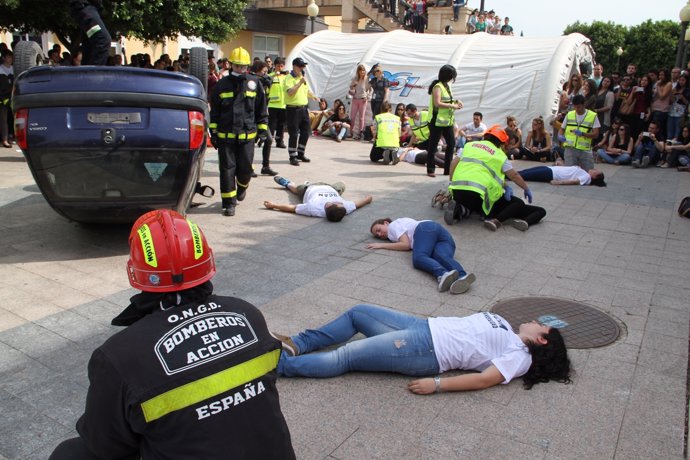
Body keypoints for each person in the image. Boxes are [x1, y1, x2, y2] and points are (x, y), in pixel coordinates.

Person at [49, 210, 295, 460]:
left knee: (68, 454)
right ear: (207, 262)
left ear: (136, 271)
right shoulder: (248, 315)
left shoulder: (119, 356)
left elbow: (105, 445)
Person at [275, 304, 572, 395]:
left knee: (346, 356)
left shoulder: (519, 357)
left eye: (541, 326)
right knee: (358, 313)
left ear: (542, 340)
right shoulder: (506, 328)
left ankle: (279, 366)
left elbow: (485, 379)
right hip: (420, 327)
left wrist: (437, 384)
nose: (535, 321)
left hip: (425, 351)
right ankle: (296, 344)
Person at [209, 47, 268, 217]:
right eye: (237, 66)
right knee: (227, 170)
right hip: (225, 137)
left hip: (247, 136)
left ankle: (242, 186)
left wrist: (263, 130)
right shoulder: (221, 85)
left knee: (246, 169)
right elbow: (215, 113)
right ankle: (229, 203)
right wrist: (213, 133)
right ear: (231, 65)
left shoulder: (254, 83)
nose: (240, 70)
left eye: (243, 67)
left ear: (247, 66)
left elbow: (261, 109)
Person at [445, 125, 536, 232]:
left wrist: (451, 183)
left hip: (457, 190)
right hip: (478, 194)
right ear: (502, 143)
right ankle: (485, 215)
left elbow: (453, 164)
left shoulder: (469, 145)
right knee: (481, 207)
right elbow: (514, 176)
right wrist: (526, 188)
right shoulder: (499, 155)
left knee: (468, 204)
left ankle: (459, 209)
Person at [368, 218, 475, 294]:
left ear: (386, 223)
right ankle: (462, 275)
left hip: (425, 229)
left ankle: (442, 274)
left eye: (378, 229)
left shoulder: (393, 226)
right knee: (441, 256)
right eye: (377, 236)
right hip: (439, 232)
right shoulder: (400, 227)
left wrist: (381, 245)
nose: (379, 234)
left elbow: (405, 245)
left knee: (419, 258)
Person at [264, 176, 372, 221]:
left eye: (337, 202)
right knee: (342, 184)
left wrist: (274, 205)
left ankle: (286, 183)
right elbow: (357, 204)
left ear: (329, 205)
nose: (340, 202)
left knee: (295, 189)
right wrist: (368, 199)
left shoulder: (313, 209)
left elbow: (292, 208)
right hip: (331, 187)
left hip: (309, 189)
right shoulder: (344, 209)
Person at [427, 64, 462, 177]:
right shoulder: (437, 87)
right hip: (436, 121)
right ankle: (430, 169)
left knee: (451, 144)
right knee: (433, 145)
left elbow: (448, 99)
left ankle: (448, 169)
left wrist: (457, 101)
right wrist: (452, 106)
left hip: (447, 121)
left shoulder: (447, 86)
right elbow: (437, 103)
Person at [284, 57, 318, 166]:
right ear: (294, 66)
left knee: (306, 131)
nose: (302, 68)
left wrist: (313, 96)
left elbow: (306, 90)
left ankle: (300, 153)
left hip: (303, 108)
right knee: (293, 134)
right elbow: (290, 92)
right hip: (293, 109)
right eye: (300, 66)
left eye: (303, 66)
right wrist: (299, 82)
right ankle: (292, 156)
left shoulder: (302, 77)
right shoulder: (289, 78)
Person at [557, 94, 600, 171]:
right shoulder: (569, 115)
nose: (577, 109)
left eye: (579, 107)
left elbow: (596, 134)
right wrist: (560, 135)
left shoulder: (592, 116)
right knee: (570, 172)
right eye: (575, 107)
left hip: (584, 149)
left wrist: (583, 134)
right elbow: (562, 129)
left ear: (584, 105)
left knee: (588, 172)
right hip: (570, 148)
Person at [251, 60, 279, 176]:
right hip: (251, 118)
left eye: (267, 72)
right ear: (257, 71)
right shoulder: (251, 82)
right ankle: (249, 168)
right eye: (264, 72)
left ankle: (265, 166)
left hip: (262, 117)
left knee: (268, 139)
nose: (266, 75)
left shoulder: (264, 83)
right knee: (250, 142)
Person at [69, 0, 111, 66]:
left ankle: (86, 73)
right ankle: (92, 74)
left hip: (87, 8)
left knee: (89, 48)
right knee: (103, 41)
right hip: (85, 7)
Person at [267, 57, 288, 150]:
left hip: (283, 104)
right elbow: (266, 83)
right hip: (273, 104)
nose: (280, 68)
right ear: (274, 66)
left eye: (282, 66)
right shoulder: (270, 75)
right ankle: (269, 141)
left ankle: (280, 141)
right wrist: (274, 74)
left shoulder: (286, 77)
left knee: (282, 124)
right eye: (278, 66)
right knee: (272, 124)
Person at [518, 165, 606, 186]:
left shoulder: (587, 177)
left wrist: (559, 182)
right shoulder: (585, 173)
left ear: (595, 177)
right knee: (523, 172)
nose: (595, 169)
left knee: (524, 175)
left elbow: (575, 181)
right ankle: (507, 173)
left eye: (596, 171)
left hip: (552, 174)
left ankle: (507, 176)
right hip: (551, 169)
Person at [349, 64, 371, 140]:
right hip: (355, 99)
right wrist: (353, 86)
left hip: (363, 100)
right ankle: (350, 132)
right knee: (352, 117)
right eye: (361, 70)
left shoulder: (366, 79)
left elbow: (369, 89)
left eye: (363, 70)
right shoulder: (355, 78)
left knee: (361, 118)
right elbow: (350, 88)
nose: (362, 72)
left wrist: (367, 97)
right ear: (358, 71)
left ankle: (360, 133)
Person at [0, 49, 12, 148]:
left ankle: (12, 136)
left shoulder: (14, 69)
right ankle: (5, 139)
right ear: (3, 58)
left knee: (13, 119)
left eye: (11, 57)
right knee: (3, 119)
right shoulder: (0, 70)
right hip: (3, 98)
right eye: (8, 57)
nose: (10, 59)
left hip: (13, 97)